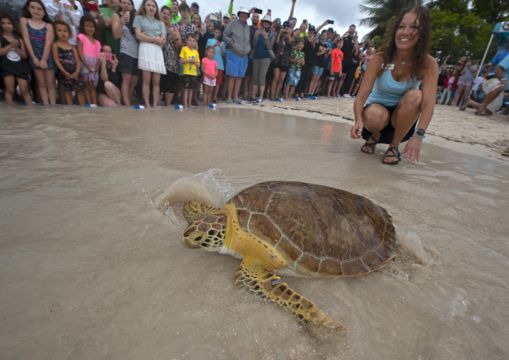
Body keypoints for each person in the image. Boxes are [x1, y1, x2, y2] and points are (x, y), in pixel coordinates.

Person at [351, 5, 438, 165]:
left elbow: (428, 105)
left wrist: (419, 136)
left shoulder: (428, 63)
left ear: (422, 33)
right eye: (401, 27)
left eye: (413, 27)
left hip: (403, 120)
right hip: (376, 116)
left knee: (417, 95)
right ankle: (375, 136)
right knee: (375, 115)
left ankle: (394, 146)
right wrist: (358, 120)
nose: (405, 32)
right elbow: (361, 95)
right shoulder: (380, 57)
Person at [20, 0, 56, 105]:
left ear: (44, 12)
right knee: (41, 84)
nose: (36, 11)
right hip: (34, 56)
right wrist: (34, 58)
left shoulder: (48, 25)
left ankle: (53, 106)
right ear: (28, 8)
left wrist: (44, 59)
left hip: (47, 56)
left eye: (39, 9)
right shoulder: (24, 21)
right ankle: (46, 105)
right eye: (33, 7)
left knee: (51, 84)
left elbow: (48, 43)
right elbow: (26, 39)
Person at [133, 0, 166, 108]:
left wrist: (146, 36)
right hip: (145, 49)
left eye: (153, 6)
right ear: (144, 6)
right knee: (146, 80)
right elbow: (138, 36)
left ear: (156, 9)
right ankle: (147, 104)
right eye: (149, 5)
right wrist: (155, 38)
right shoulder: (139, 18)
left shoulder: (161, 23)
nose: (151, 8)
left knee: (156, 82)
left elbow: (163, 41)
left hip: (157, 50)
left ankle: (155, 105)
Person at [0, 12, 32, 105]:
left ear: (13, 25)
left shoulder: (19, 39)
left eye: (9, 23)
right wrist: (11, 45)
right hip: (7, 66)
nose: (6, 25)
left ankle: (31, 111)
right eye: (3, 23)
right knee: (10, 90)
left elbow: (25, 55)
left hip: (20, 66)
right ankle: (10, 111)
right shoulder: (1, 38)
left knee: (24, 90)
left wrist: (17, 47)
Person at [111, 0, 139, 106]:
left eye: (129, 3)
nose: (126, 5)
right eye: (124, 2)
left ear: (132, 6)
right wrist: (121, 22)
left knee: (134, 81)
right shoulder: (116, 16)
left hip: (137, 52)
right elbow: (116, 35)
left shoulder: (136, 18)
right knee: (126, 79)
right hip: (125, 51)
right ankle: (126, 104)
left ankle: (128, 100)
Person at [222, 6, 251, 104]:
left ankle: (235, 97)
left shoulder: (247, 27)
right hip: (233, 53)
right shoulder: (232, 24)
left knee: (239, 77)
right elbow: (225, 36)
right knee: (232, 76)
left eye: (246, 15)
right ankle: (229, 97)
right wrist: (232, 43)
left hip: (244, 56)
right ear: (239, 15)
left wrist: (248, 49)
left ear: (247, 16)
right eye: (242, 14)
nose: (244, 16)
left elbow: (248, 41)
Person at [52, 20, 84, 105]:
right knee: (68, 90)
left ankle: (83, 108)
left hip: (76, 72)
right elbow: (56, 60)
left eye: (65, 31)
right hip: (64, 72)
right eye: (59, 30)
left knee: (80, 90)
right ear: (55, 32)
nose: (63, 33)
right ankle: (70, 108)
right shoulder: (55, 45)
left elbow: (77, 60)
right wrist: (64, 72)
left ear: (69, 33)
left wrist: (77, 71)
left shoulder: (72, 46)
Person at [77, 15, 101, 107]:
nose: (89, 28)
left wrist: (96, 67)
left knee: (93, 87)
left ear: (95, 28)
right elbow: (80, 52)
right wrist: (87, 65)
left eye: (91, 26)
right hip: (85, 64)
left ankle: (94, 104)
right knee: (86, 85)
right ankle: (89, 104)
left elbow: (99, 57)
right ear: (82, 26)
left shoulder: (98, 42)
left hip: (94, 66)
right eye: (86, 26)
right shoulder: (81, 37)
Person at [250, 14, 274, 104]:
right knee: (255, 77)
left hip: (266, 57)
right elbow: (254, 44)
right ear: (262, 22)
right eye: (265, 22)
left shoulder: (272, 33)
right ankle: (253, 96)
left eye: (268, 22)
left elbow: (270, 47)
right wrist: (256, 36)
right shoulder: (257, 31)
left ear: (270, 24)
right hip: (256, 56)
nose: (266, 24)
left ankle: (260, 97)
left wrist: (266, 37)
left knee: (262, 77)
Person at [160, 5, 181, 106]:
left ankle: (167, 108)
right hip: (158, 59)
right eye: (164, 13)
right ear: (160, 14)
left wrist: (176, 37)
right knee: (158, 84)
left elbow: (179, 45)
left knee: (170, 85)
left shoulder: (174, 28)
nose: (166, 16)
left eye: (168, 14)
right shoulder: (156, 25)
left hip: (172, 62)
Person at [269, 20, 292, 101]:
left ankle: (276, 95)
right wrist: (280, 32)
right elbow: (276, 42)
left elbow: (290, 43)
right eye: (285, 27)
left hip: (285, 61)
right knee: (276, 77)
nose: (286, 29)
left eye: (287, 27)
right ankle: (272, 95)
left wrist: (288, 33)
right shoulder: (278, 35)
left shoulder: (289, 38)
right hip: (278, 59)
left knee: (281, 80)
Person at [179, 33, 199, 108]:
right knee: (186, 89)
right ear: (186, 41)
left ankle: (189, 104)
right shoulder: (184, 49)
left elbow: (198, 64)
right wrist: (189, 60)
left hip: (193, 73)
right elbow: (181, 61)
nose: (191, 42)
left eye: (193, 41)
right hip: (186, 72)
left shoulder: (196, 52)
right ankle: (185, 104)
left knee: (191, 90)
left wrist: (195, 63)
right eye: (190, 40)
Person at [206, 24, 224, 103]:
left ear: (220, 34)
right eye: (216, 32)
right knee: (210, 82)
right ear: (214, 32)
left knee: (218, 83)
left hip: (219, 64)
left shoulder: (222, 43)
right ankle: (209, 97)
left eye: (218, 33)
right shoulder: (209, 40)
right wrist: (214, 45)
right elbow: (207, 51)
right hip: (211, 64)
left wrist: (221, 46)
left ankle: (214, 97)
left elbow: (223, 54)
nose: (217, 34)